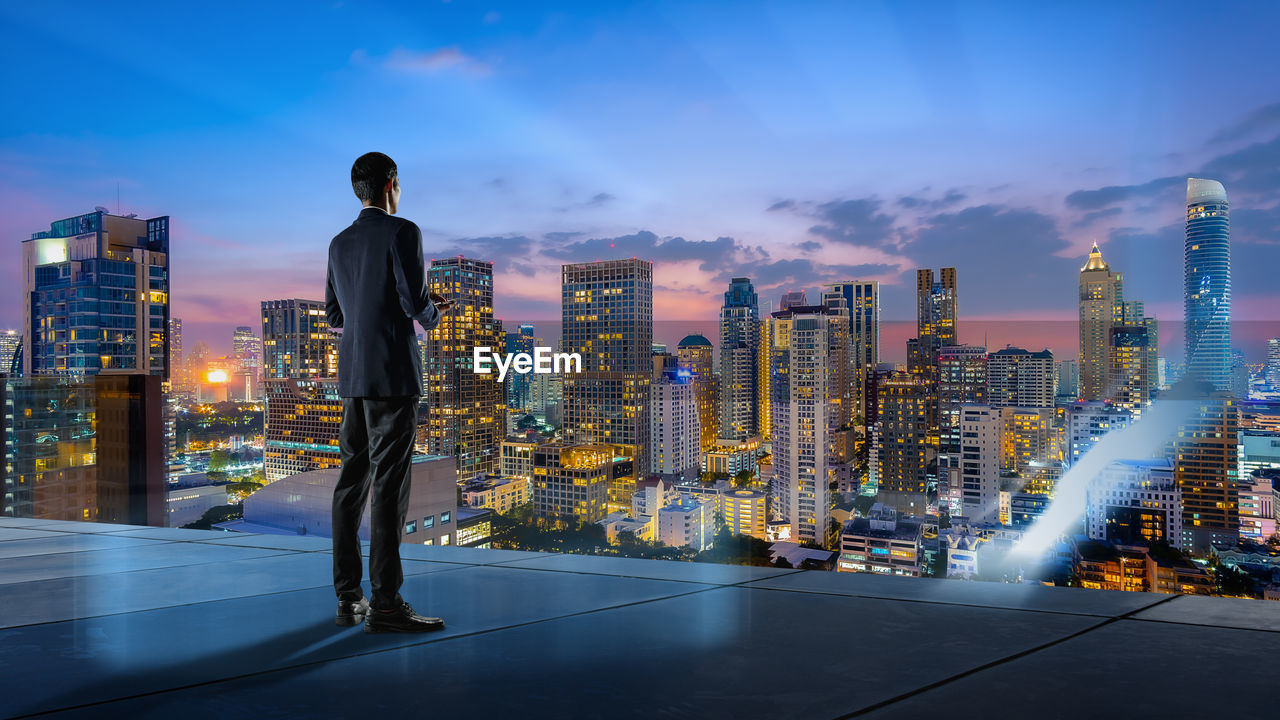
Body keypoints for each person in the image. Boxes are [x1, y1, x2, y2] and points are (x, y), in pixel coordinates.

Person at [325, 151, 455, 633]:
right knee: (389, 488)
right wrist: (433, 310)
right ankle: (385, 603)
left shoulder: (338, 243)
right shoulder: (404, 232)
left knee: (350, 483)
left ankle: (347, 596)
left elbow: (336, 315)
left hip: (353, 378)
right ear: (391, 185)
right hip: (394, 377)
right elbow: (411, 303)